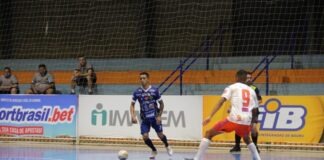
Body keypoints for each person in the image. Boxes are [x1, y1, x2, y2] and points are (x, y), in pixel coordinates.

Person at [186, 70, 261, 160]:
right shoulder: (252, 91)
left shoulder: (232, 87)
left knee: (208, 133)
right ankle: (258, 158)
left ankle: (196, 159)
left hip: (234, 119)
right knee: (246, 139)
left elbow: (221, 101)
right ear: (245, 79)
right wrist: (253, 123)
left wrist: (210, 116)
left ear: (236, 78)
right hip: (246, 120)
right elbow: (255, 110)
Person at [130, 72, 173, 159]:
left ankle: (167, 145)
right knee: (145, 136)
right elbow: (132, 104)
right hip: (144, 119)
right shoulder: (137, 92)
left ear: (148, 79)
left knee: (160, 135)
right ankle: (154, 150)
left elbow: (161, 104)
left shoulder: (154, 90)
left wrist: (159, 116)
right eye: (140, 78)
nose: (142, 80)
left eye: (144, 78)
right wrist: (133, 115)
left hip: (155, 117)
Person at [230, 72, 262, 153]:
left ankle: (255, 146)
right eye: (247, 78)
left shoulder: (254, 88)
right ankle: (237, 146)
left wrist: (253, 103)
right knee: (238, 127)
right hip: (241, 111)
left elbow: (260, 99)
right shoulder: (239, 88)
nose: (249, 79)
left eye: (250, 78)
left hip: (253, 111)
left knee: (254, 129)